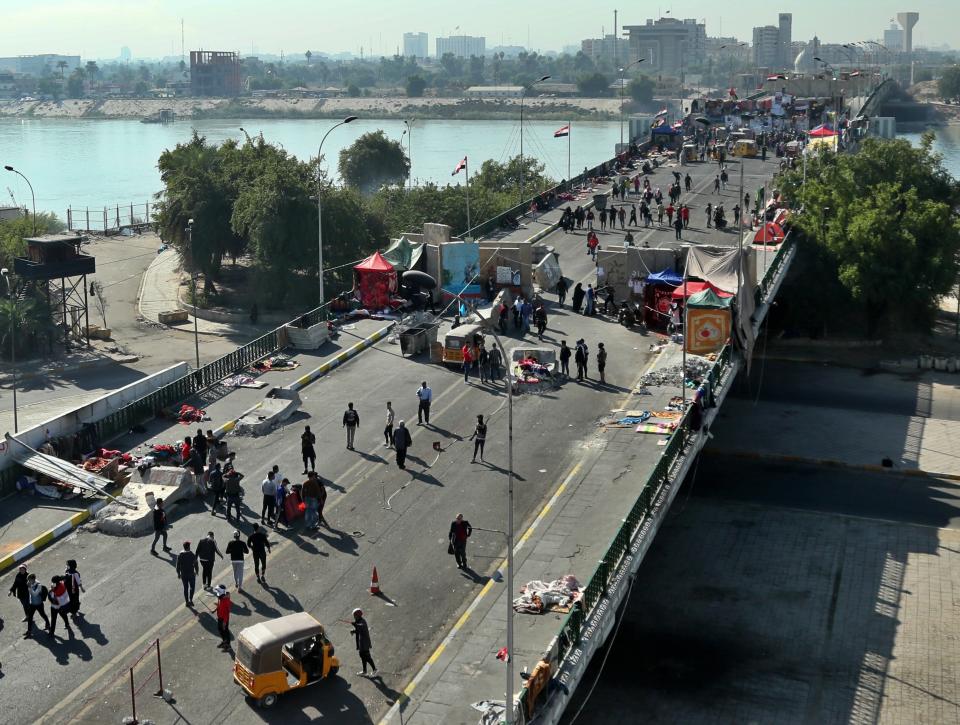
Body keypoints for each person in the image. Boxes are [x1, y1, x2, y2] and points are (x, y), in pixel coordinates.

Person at [351, 608, 377, 676]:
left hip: (365, 643)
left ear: (358, 616)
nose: (354, 617)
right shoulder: (359, 621)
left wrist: (355, 625)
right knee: (362, 656)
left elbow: (361, 627)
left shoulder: (362, 622)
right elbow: (358, 630)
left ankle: (375, 670)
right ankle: (364, 671)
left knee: (367, 657)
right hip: (361, 643)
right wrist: (353, 631)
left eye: (355, 616)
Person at [24, 574, 50, 639]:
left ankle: (48, 624)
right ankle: (29, 631)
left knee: (42, 614)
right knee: (30, 617)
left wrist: (29, 587)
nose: (28, 581)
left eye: (29, 580)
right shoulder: (29, 583)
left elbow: (35, 594)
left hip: (39, 604)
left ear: (33, 579)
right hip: (32, 604)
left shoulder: (39, 585)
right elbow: (30, 594)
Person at [176, 541, 199, 607]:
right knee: (192, 587)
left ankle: (187, 602)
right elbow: (196, 564)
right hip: (191, 574)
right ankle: (191, 600)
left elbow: (178, 566)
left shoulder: (180, 555)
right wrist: (197, 571)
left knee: (185, 588)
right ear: (189, 547)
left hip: (183, 574)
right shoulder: (192, 554)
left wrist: (178, 574)